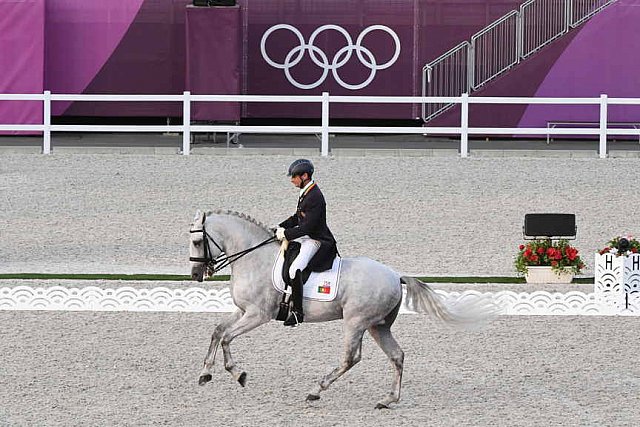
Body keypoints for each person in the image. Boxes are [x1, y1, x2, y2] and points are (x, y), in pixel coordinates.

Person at [275, 159, 337, 326]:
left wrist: (286, 234)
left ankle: (297, 313)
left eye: (294, 176)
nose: (291, 180)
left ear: (305, 176)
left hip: (316, 240)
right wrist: (280, 226)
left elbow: (308, 227)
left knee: (295, 269)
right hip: (307, 236)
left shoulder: (315, 196)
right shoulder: (306, 191)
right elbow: (297, 217)